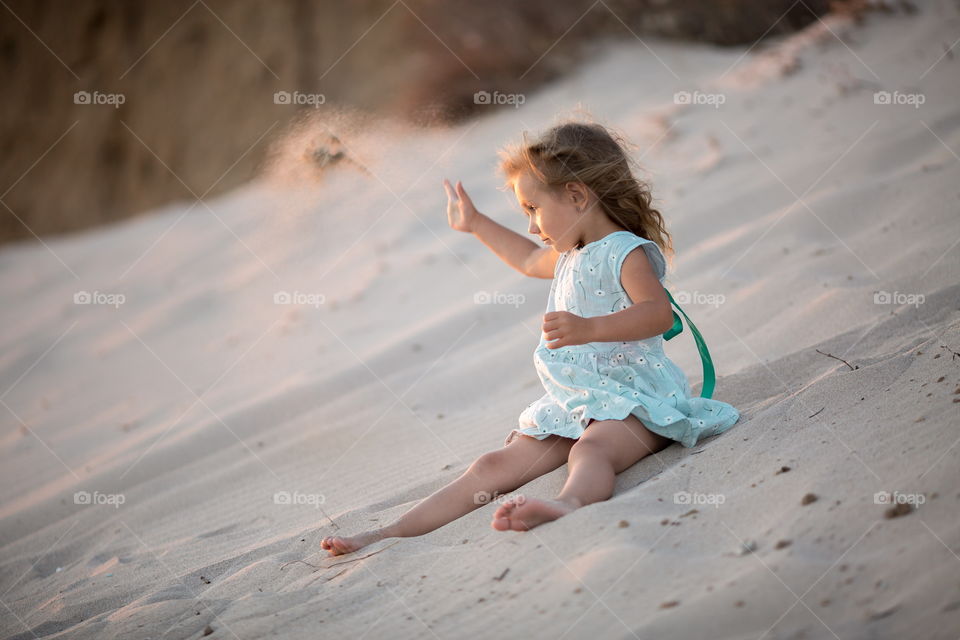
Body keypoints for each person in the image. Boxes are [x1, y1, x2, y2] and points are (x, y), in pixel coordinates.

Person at [321, 121, 740, 556]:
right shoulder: (567, 256)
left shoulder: (624, 251)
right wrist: (476, 223)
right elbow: (525, 259)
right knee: (490, 466)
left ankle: (569, 503)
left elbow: (657, 314)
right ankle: (388, 533)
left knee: (592, 451)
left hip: (636, 400)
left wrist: (590, 328)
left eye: (533, 209)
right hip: (578, 400)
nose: (531, 225)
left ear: (577, 195)